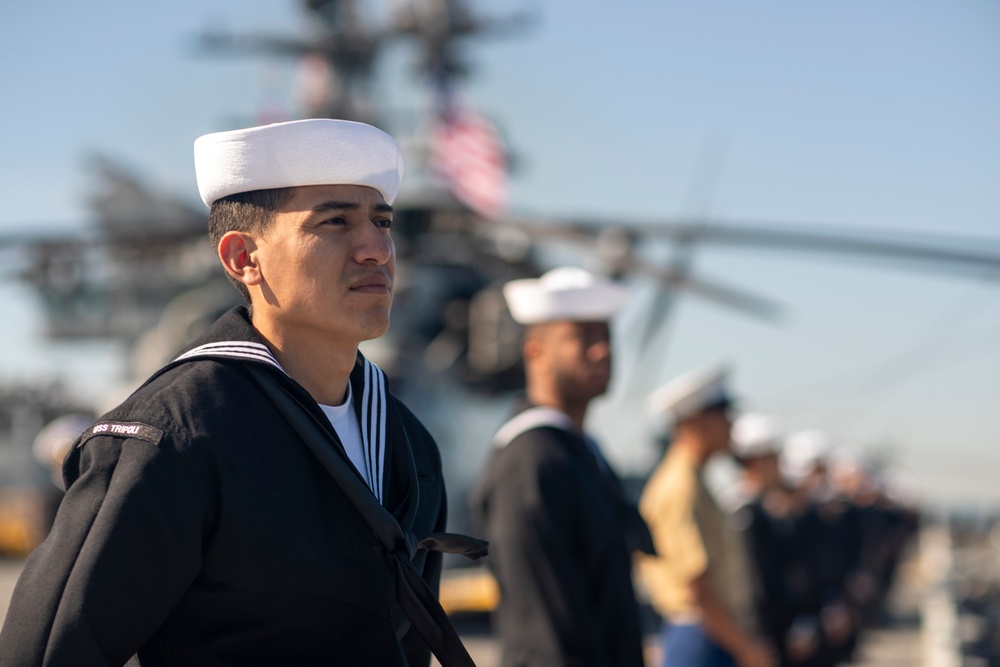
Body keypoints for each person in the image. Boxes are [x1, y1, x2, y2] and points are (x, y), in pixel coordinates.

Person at [0, 118, 485, 667]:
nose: (376, 249)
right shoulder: (176, 436)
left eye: (382, 221)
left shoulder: (407, 443)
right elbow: (44, 654)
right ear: (242, 258)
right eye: (333, 223)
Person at [470, 267, 653, 667]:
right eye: (582, 336)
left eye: (605, 336)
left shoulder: (578, 451)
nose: (603, 350)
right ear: (534, 350)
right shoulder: (531, 461)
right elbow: (545, 632)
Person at [637, 365, 773, 667]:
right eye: (724, 418)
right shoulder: (680, 487)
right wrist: (745, 647)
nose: (731, 427)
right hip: (701, 634)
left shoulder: (695, 480)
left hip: (711, 630)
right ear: (697, 422)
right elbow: (697, 585)